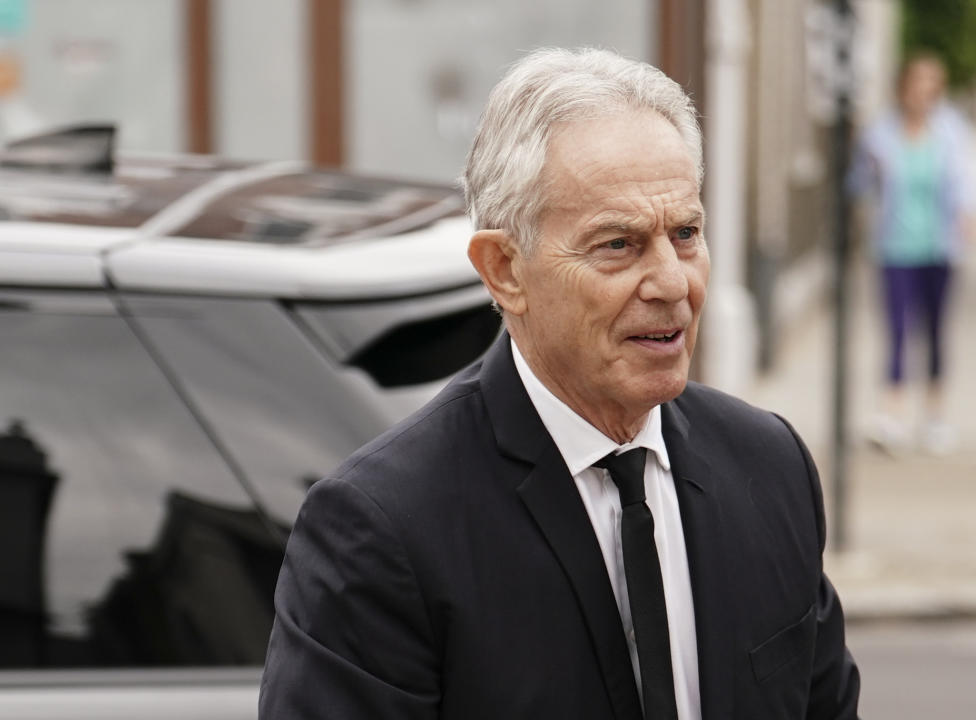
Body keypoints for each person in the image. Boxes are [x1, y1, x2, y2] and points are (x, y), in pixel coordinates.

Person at [259, 48, 861, 720]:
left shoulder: (769, 466)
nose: (672, 283)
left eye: (685, 233)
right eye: (618, 245)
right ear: (505, 270)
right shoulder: (383, 532)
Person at [849, 51, 976, 454]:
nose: (923, 92)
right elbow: (856, 185)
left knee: (936, 330)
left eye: (930, 84)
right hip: (894, 247)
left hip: (939, 246)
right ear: (903, 88)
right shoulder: (879, 134)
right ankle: (892, 416)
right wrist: (866, 175)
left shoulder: (952, 131)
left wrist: (971, 215)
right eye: (916, 83)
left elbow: (967, 180)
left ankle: (936, 418)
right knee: (897, 330)